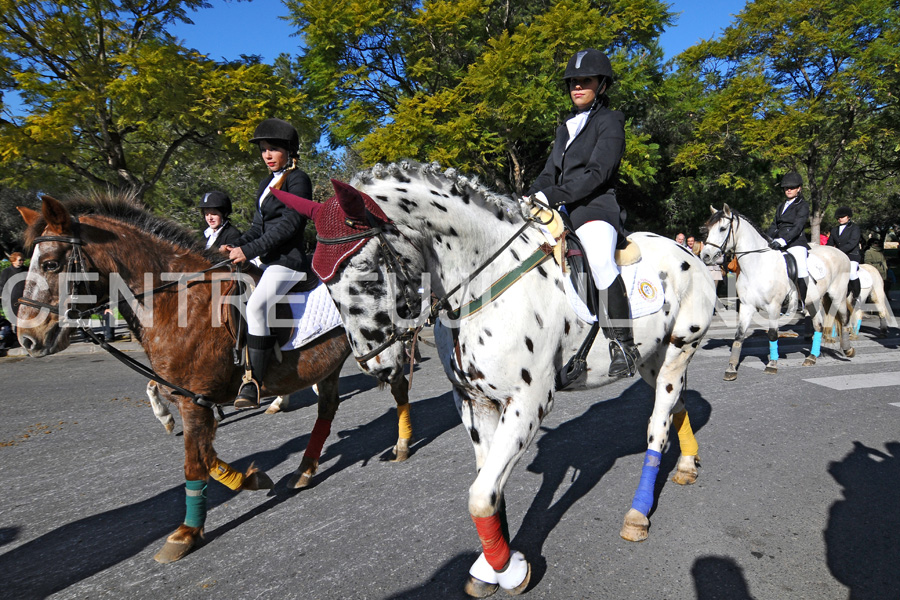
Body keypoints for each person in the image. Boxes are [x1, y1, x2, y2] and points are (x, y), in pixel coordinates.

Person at [526, 48, 638, 377]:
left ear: (601, 85)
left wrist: (552, 194)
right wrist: (532, 194)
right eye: (573, 82)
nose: (577, 87)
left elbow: (597, 174)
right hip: (561, 209)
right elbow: (550, 172)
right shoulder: (566, 127)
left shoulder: (611, 121)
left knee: (600, 259)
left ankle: (622, 344)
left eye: (584, 81)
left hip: (595, 207)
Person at [224, 118, 315, 409]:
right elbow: (257, 227)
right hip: (264, 261)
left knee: (256, 306)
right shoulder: (266, 183)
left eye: (273, 149)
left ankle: (253, 381)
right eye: (263, 150)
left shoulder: (298, 179)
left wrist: (249, 250)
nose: (266, 155)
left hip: (287, 263)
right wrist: (237, 245)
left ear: (289, 151)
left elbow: (289, 224)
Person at [767, 172, 810, 309]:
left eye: (792, 187)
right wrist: (767, 239)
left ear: (799, 188)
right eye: (786, 188)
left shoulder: (802, 205)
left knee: (801, 269)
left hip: (795, 242)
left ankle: (804, 301)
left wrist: (784, 240)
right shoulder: (781, 206)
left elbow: (798, 226)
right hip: (778, 242)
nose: (789, 190)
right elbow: (774, 225)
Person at [826, 206, 862, 303]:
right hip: (838, 256)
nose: (840, 219)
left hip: (852, 255)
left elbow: (852, 243)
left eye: (842, 217)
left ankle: (857, 296)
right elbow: (829, 243)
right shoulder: (834, 230)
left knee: (852, 273)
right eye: (838, 217)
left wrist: (838, 251)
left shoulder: (855, 228)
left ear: (848, 217)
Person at [0, 252, 27, 332]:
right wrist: (5, 297)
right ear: (13, 260)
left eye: (22, 260)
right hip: (12, 299)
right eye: (20, 260)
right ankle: (16, 334)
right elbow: (2, 285)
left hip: (25, 298)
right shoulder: (6, 272)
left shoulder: (26, 270)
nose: (22, 262)